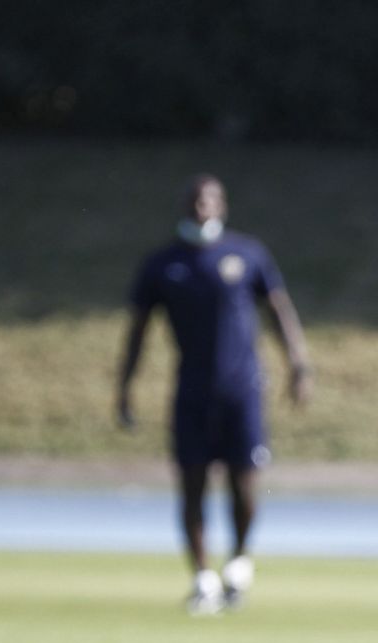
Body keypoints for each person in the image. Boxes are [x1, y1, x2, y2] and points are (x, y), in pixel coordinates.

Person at [116, 174, 312, 614]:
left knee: (244, 484)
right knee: (191, 486)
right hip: (192, 391)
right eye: (195, 199)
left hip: (243, 390)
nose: (203, 206)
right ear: (185, 204)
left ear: (222, 205)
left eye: (210, 199)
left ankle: (239, 562)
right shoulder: (164, 263)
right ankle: (203, 577)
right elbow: (138, 331)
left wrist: (298, 363)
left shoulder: (247, 253)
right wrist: (125, 387)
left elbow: (278, 308)